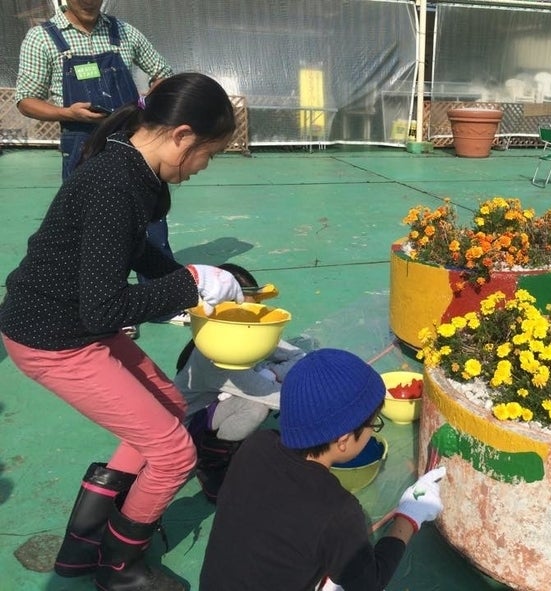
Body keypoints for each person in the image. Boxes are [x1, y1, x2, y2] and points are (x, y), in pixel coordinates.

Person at [0, 72, 244, 591]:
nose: (204, 167)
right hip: (52, 338)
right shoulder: (115, 184)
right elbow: (104, 310)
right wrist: (192, 282)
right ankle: (120, 567)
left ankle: (83, 545)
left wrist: (198, 282)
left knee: (171, 407)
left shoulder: (133, 168)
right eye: (209, 154)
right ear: (182, 136)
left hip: (70, 324)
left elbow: (135, 252)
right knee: (174, 453)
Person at [200, 348, 447, 591]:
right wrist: (409, 516)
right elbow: (370, 583)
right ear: (343, 440)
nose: (372, 431)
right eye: (374, 424)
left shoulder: (257, 445)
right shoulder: (337, 511)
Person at [14, 0, 180, 333]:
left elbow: (164, 72)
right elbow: (26, 99)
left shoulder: (123, 32)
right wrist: (66, 113)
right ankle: (109, 307)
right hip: (82, 144)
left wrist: (144, 104)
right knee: (95, 229)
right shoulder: (42, 38)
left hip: (133, 140)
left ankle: (162, 301)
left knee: (151, 219)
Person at [174, 262, 307, 503]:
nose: (251, 317)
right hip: (187, 430)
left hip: (216, 406)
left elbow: (298, 356)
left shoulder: (248, 331)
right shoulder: (213, 357)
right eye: (241, 310)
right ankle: (211, 461)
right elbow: (275, 398)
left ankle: (225, 444)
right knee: (256, 407)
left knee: (259, 393)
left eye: (254, 308)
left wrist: (272, 373)